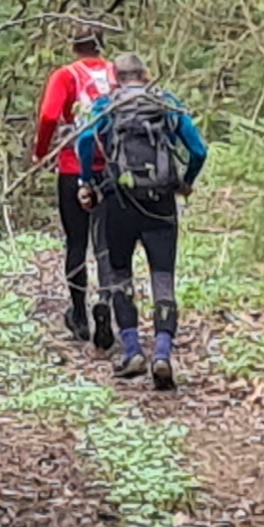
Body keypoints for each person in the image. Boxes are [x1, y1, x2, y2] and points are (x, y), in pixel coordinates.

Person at [72, 53, 207, 387]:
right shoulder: (166, 103)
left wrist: (87, 182)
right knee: (163, 277)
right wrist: (186, 181)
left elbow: (85, 141)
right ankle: (162, 354)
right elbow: (199, 150)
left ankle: (132, 350)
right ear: (146, 74)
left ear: (115, 78)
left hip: (119, 201)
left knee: (119, 275)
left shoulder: (107, 105)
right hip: (161, 202)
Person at [31, 21, 119, 347]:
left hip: (73, 169)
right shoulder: (116, 74)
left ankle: (80, 316)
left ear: (73, 46)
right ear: (101, 45)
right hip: (112, 169)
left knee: (77, 243)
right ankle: (106, 303)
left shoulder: (65, 76)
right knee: (107, 242)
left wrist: (42, 151)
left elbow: (49, 116)